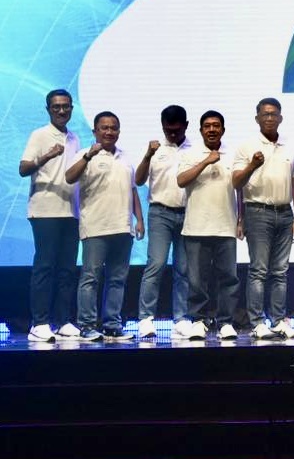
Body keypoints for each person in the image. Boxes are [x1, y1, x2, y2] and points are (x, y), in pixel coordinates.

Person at [65, 111, 145, 341]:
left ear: (118, 131)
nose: (109, 132)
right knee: (90, 278)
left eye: (113, 128)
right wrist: (88, 156)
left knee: (117, 280)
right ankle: (87, 325)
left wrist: (139, 220)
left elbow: (132, 190)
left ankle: (112, 325)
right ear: (95, 131)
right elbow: (69, 177)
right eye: (104, 128)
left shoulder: (125, 157)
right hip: (95, 227)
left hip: (123, 227)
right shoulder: (84, 154)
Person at [233, 97, 294, 340]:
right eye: (265, 114)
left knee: (280, 271)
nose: (270, 118)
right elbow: (236, 183)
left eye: (274, 114)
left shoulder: (290, 146)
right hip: (257, 211)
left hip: (285, 212)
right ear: (257, 118)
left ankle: (278, 320)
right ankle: (257, 322)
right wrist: (252, 165)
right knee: (258, 270)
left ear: (280, 118)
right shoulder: (246, 146)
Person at [20, 89, 82, 342]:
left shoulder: (75, 138)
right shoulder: (40, 135)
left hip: (71, 211)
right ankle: (40, 323)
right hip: (45, 210)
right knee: (45, 267)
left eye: (66, 106)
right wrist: (47, 155)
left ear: (71, 109)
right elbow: (23, 168)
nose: (61, 111)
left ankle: (63, 321)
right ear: (48, 110)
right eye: (56, 107)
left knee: (67, 269)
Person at [177, 111, 242, 341]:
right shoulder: (190, 153)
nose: (212, 129)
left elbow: (240, 188)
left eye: (216, 125)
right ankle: (199, 321)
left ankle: (225, 322)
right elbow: (181, 180)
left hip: (226, 226)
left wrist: (241, 219)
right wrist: (206, 161)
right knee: (197, 280)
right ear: (201, 130)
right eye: (207, 126)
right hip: (196, 227)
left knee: (229, 278)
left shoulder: (233, 153)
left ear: (223, 129)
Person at [135, 104, 193, 339]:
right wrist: (148, 155)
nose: (172, 134)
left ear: (186, 126)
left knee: (184, 268)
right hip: (160, 212)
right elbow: (139, 180)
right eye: (168, 130)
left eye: (177, 130)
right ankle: (145, 318)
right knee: (156, 264)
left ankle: (181, 319)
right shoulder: (155, 149)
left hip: (189, 213)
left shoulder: (195, 149)